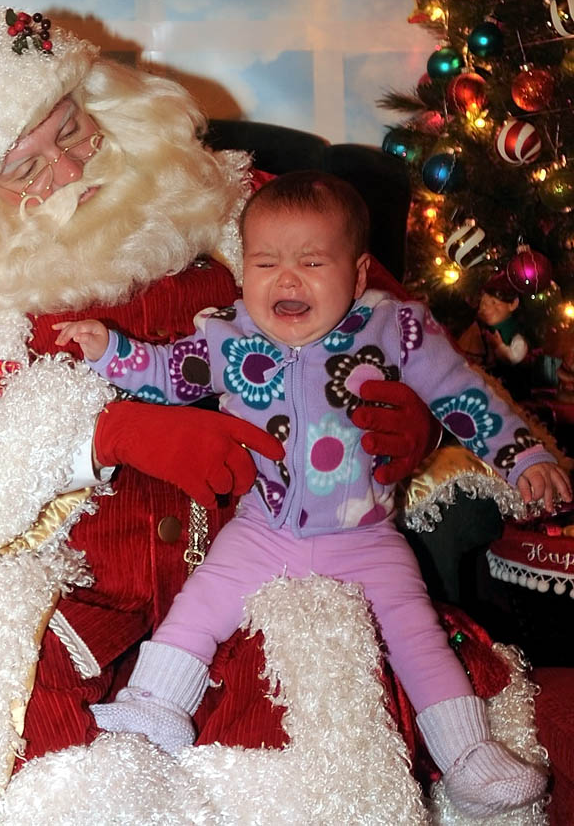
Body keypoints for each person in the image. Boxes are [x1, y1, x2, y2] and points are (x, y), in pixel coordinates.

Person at [0, 9, 494, 825]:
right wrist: (111, 431)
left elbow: (390, 319)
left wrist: (410, 416)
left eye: (73, 131)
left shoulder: (227, 204)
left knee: (323, 714)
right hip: (70, 585)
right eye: (25, 169)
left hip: (252, 560)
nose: (68, 171)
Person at [54, 170, 570, 818]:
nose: (287, 279)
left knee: (417, 633)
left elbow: (462, 395)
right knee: (198, 607)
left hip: (364, 536)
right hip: (261, 527)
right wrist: (110, 350)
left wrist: (524, 457)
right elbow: (169, 371)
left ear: (356, 278)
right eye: (266, 262)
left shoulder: (394, 331)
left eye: (311, 261)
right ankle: (151, 710)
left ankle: (467, 754)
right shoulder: (229, 335)